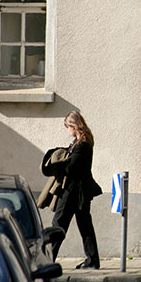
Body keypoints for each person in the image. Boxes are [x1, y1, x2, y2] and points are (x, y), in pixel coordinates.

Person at [45, 111, 102, 269]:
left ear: (74, 126)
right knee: (84, 225)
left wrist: (60, 163)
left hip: (74, 192)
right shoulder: (77, 143)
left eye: (67, 126)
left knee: (59, 224)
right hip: (76, 191)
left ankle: (48, 259)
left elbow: (72, 168)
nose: (67, 130)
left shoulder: (82, 145)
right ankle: (92, 260)